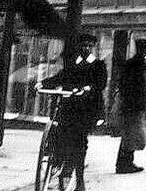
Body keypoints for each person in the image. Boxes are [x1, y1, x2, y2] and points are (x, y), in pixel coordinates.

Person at [40, 33, 108, 189]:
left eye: (89, 46)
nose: (86, 48)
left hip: (87, 110)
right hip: (69, 107)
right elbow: (60, 78)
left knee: (80, 141)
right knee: (59, 133)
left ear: (93, 48)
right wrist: (43, 83)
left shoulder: (98, 65)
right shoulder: (72, 65)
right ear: (79, 47)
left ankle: (79, 178)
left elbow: (101, 84)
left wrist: (87, 88)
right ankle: (59, 163)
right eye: (84, 45)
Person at [114, 38, 146, 174]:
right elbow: (125, 85)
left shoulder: (141, 64)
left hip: (137, 104)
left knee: (132, 134)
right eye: (143, 49)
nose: (145, 51)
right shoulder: (134, 65)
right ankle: (124, 164)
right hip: (132, 105)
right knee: (131, 134)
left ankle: (125, 162)